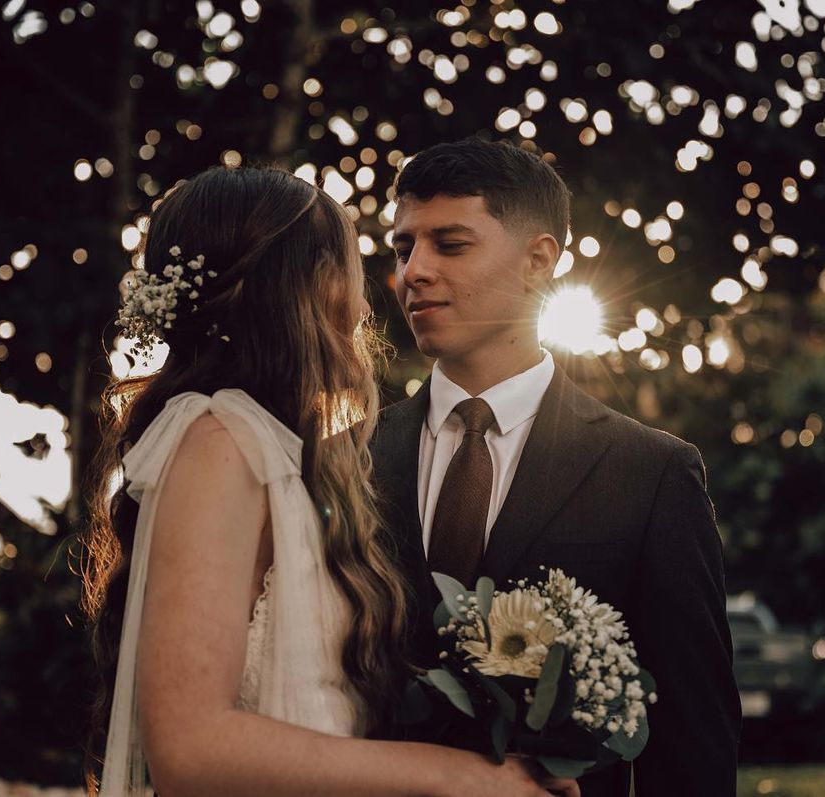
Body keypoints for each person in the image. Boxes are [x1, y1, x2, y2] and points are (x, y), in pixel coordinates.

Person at [80, 166, 579, 797]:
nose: (367, 307)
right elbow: (189, 747)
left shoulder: (273, 448)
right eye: (350, 272)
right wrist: (465, 779)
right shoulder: (220, 443)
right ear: (299, 283)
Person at [370, 139, 742, 796]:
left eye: (449, 244)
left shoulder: (651, 473)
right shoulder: (345, 457)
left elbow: (691, 739)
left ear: (538, 260)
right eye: (403, 249)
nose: (413, 272)